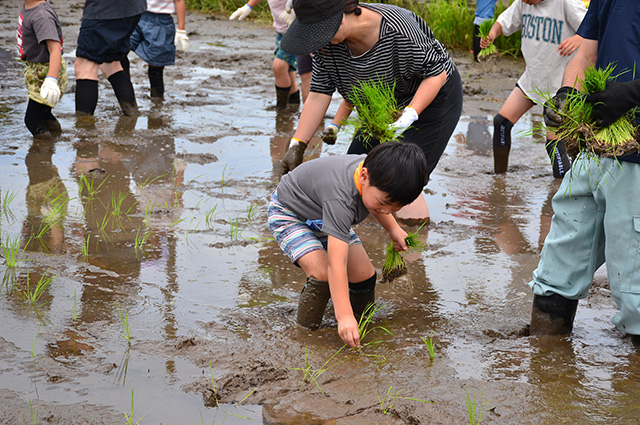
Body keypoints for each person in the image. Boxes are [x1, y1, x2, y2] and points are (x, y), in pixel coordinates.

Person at [278, 0, 463, 222]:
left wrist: (410, 114)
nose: (317, 41)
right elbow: (318, 94)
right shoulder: (326, 44)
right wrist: (298, 143)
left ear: (341, 17)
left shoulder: (399, 27)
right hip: (380, 103)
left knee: (399, 178)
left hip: (433, 99)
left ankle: (412, 241)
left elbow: (437, 73)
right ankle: (370, 241)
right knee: (356, 178)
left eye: (318, 32)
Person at [529, 0, 640, 346]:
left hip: (636, 153)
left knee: (632, 271)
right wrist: (568, 94)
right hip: (595, 142)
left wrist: (634, 93)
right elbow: (585, 52)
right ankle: (546, 361)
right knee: (559, 256)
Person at [268, 142, 427, 348]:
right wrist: (343, 316)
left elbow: (381, 208)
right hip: (290, 213)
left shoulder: (375, 174)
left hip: (325, 216)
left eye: (395, 208)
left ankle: (361, 326)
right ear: (364, 177)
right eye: (382, 203)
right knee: (322, 274)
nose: (386, 211)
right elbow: (337, 264)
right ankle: (306, 335)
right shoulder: (340, 198)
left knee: (365, 275)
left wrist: (393, 229)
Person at [480, 0, 587, 178]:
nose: (524, 0)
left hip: (559, 83)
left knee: (553, 144)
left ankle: (561, 193)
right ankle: (499, 180)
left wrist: (579, 38)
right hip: (533, 77)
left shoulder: (566, 2)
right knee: (501, 123)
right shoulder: (524, 3)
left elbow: (593, 27)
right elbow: (504, 20)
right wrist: (492, 34)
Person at [74, 0, 146, 116]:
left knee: (85, 65)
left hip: (104, 10)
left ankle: (84, 130)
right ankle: (132, 114)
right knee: (111, 63)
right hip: (134, 8)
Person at [229, 0, 301, 110]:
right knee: (287, 70)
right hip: (281, 30)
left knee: (279, 66)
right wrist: (249, 6)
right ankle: (293, 103)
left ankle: (281, 108)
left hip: (297, 30)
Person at [17, 0, 67, 139]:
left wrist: (51, 80)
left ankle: (44, 152)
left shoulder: (41, 16)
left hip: (46, 72)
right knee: (43, 114)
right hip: (37, 70)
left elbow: (55, 49)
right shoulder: (30, 5)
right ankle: (57, 138)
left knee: (32, 120)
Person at [124, 0, 189, 99]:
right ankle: (125, 92)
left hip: (161, 22)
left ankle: (157, 103)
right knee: (119, 52)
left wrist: (181, 30)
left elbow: (179, 1)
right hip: (137, 16)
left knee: (156, 68)